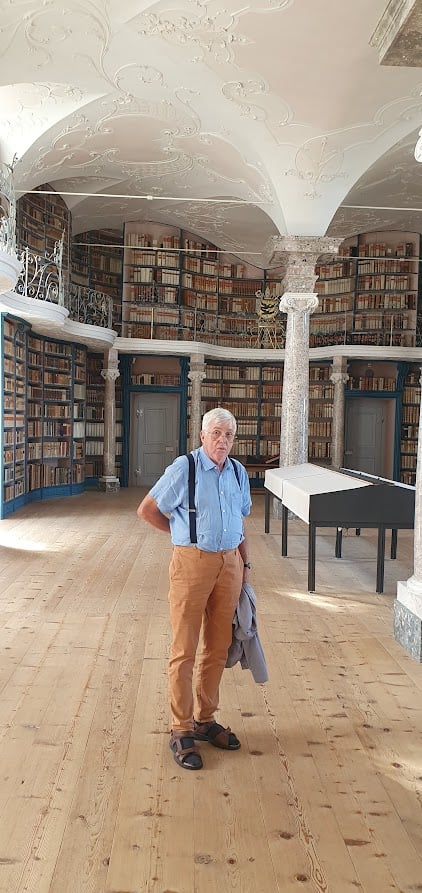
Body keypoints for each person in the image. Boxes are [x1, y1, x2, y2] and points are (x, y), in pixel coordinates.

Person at [137, 407, 252, 771]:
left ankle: (205, 719)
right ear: (202, 436)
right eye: (216, 434)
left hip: (230, 564)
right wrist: (182, 536)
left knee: (218, 647)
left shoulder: (238, 471)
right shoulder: (183, 468)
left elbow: (240, 521)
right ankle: (181, 727)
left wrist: (245, 566)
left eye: (228, 435)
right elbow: (147, 510)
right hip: (192, 563)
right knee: (184, 648)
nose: (222, 441)